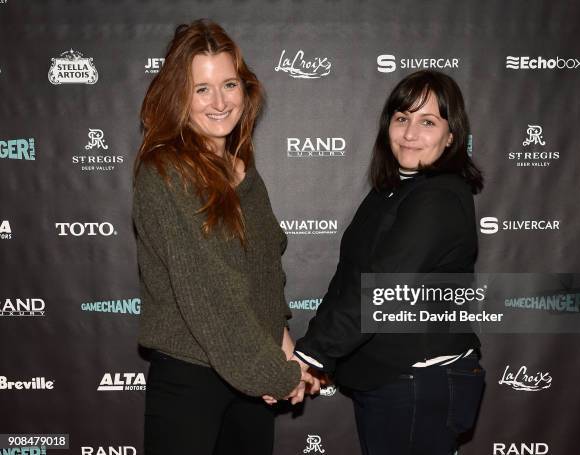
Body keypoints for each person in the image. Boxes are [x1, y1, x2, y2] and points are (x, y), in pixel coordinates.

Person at [132, 19, 319, 455]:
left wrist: (286, 356)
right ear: (179, 96)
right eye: (201, 88)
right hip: (191, 380)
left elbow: (264, 280)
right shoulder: (165, 171)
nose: (219, 102)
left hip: (249, 376)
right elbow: (211, 294)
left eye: (229, 84)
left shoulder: (243, 170)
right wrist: (275, 375)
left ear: (245, 88)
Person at [293, 70, 486, 454]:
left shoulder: (438, 198)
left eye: (427, 121)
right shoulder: (392, 191)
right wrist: (315, 356)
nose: (410, 133)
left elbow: (383, 290)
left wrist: (309, 357)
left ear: (451, 136)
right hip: (391, 381)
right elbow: (350, 280)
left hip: (419, 382)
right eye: (402, 118)